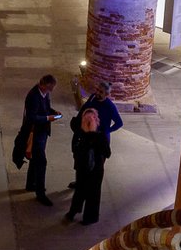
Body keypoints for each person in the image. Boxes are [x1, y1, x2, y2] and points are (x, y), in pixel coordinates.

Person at [11, 75, 62, 205]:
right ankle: (40, 193)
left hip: (42, 133)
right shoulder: (33, 96)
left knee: (35, 160)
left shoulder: (44, 93)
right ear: (43, 85)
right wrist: (48, 118)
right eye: (50, 88)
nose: (51, 91)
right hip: (34, 134)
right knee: (41, 162)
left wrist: (53, 112)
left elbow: (45, 108)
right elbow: (31, 118)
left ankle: (30, 184)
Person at [64, 107, 110, 223]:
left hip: (85, 168)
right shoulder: (99, 137)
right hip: (94, 170)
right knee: (92, 194)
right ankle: (89, 217)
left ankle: (74, 213)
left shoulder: (81, 134)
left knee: (80, 190)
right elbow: (107, 153)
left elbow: (73, 123)